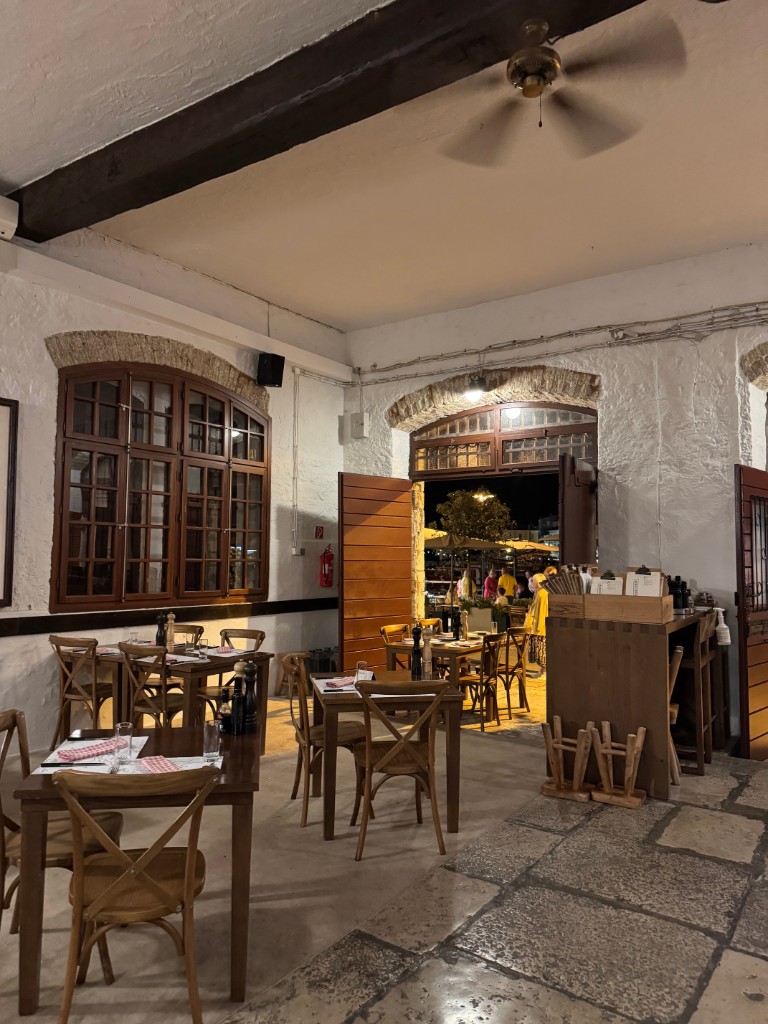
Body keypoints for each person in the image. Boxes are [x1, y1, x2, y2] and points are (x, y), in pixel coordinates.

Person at [523, 572, 549, 669]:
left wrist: (539, 627)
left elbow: (542, 612)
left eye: (533, 581)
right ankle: (541, 670)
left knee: (541, 649)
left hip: (539, 627)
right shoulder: (538, 593)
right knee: (539, 649)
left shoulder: (542, 594)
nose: (531, 583)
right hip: (537, 626)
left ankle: (543, 670)